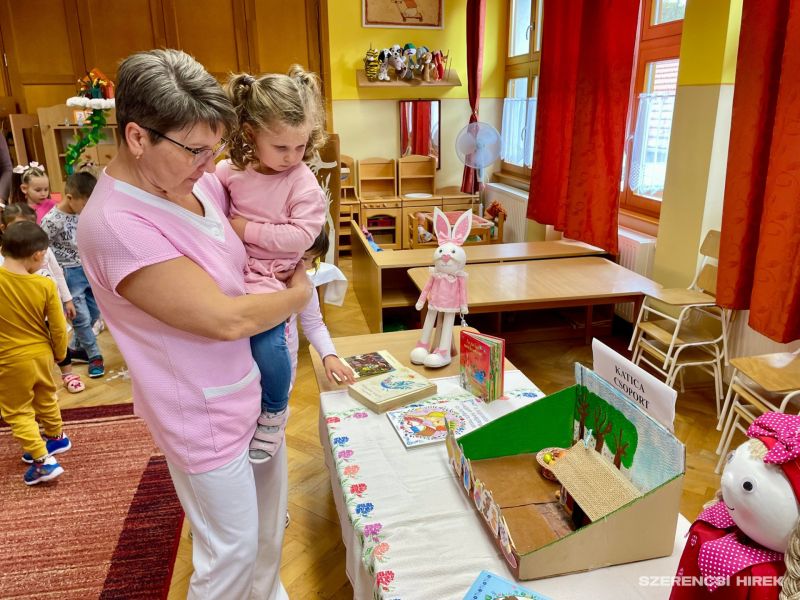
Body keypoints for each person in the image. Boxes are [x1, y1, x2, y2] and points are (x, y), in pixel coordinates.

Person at [77, 49, 312, 600]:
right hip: (200, 412)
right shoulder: (116, 225)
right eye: (195, 150)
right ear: (138, 137)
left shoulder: (199, 182)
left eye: (215, 148)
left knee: (265, 538)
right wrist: (300, 293)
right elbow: (225, 319)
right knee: (228, 556)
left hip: (253, 393)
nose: (209, 164)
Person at [217, 66, 327, 463]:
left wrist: (246, 228)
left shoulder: (302, 182)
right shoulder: (230, 172)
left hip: (270, 277)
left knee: (266, 342)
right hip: (232, 270)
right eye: (281, 147)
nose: (292, 157)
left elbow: (301, 237)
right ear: (251, 134)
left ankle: (276, 409)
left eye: (300, 147)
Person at [0, 220, 71, 485]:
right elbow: (58, 327)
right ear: (38, 254)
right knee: (45, 396)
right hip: (42, 353)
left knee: (18, 412)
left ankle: (43, 462)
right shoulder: (45, 286)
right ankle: (56, 437)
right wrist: (60, 353)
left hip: (10, 359)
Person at [0, 203, 85, 393]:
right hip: (24, 318)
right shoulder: (5, 259)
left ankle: (67, 373)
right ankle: (35, 386)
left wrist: (67, 299)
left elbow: (57, 273)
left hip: (50, 310)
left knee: (58, 339)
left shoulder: (43, 250)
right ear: (5, 229)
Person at [40, 169, 104, 378]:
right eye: (85, 204)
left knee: (94, 312)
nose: (88, 209)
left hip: (87, 268)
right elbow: (42, 247)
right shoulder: (52, 220)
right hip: (68, 272)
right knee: (81, 318)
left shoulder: (82, 214)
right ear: (69, 198)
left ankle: (77, 347)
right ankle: (94, 356)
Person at [287, 230, 355, 386]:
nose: (309, 266)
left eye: (313, 260)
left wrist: (329, 355)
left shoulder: (306, 283)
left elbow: (314, 325)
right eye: (304, 258)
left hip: (288, 363)